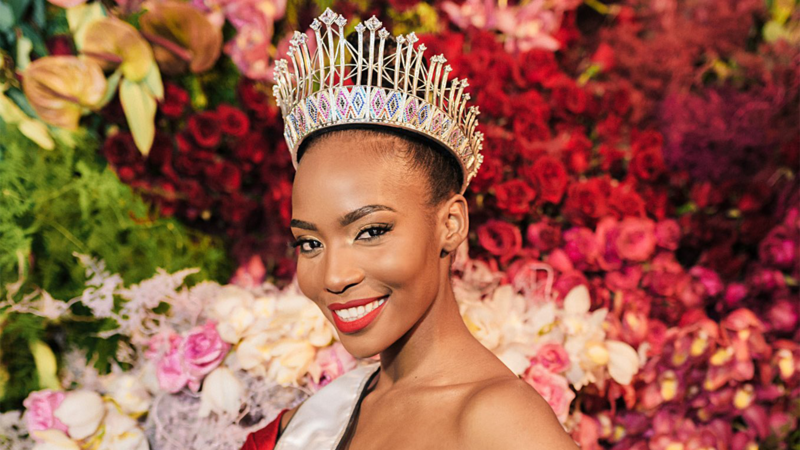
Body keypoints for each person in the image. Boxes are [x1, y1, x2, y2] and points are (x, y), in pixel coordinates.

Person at [241, 8, 579, 450]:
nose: (333, 276)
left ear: (451, 224)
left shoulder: (500, 423)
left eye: (370, 231)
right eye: (310, 242)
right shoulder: (309, 422)